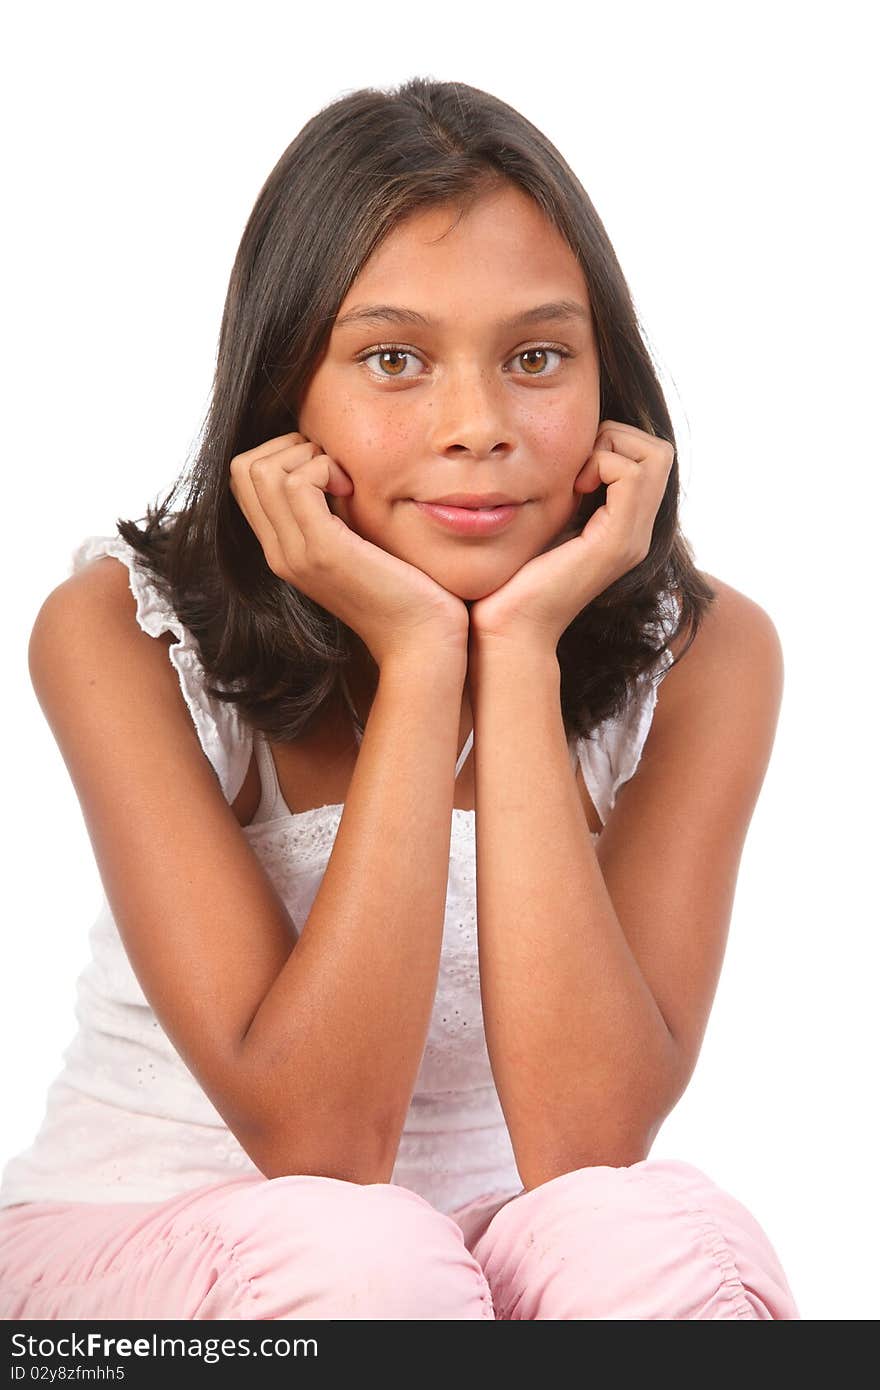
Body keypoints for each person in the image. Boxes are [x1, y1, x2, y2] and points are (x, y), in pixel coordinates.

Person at [0, 76, 800, 1320]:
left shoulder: (707, 654)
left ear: (608, 390)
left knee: (656, 1239)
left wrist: (518, 652)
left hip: (487, 1270)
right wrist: (425, 657)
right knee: (360, 1260)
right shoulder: (118, 630)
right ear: (285, 402)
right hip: (157, 1263)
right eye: (393, 359)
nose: (477, 424)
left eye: (536, 357)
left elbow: (586, 1141)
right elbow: (321, 1142)